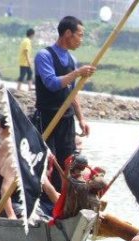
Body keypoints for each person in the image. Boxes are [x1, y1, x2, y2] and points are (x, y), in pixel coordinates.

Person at [34, 16, 96, 191]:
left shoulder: (72, 60)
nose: (81, 40)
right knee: (48, 160)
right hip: (47, 116)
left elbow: (72, 93)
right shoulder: (44, 55)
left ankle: (62, 196)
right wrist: (77, 73)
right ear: (68, 33)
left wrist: (81, 119)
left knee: (67, 161)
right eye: (80, 35)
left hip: (67, 119)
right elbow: (52, 83)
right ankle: (46, 197)